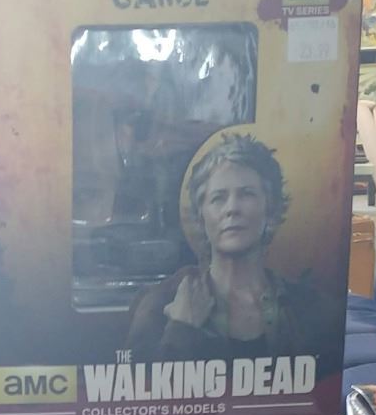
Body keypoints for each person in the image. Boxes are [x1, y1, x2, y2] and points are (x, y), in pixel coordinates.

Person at [125, 132, 324, 363]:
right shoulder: (160, 303)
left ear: (270, 208)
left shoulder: (308, 308)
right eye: (218, 198)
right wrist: (181, 328)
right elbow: (135, 381)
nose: (232, 209)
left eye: (246, 194)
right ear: (201, 216)